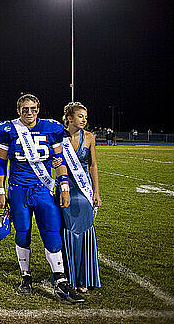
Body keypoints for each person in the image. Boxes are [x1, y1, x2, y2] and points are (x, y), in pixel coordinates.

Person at [0, 94, 84, 303]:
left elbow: (59, 159)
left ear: (38, 110)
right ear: (18, 111)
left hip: (44, 189)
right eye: (25, 109)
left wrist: (64, 186)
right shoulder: (8, 130)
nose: (29, 113)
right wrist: (0, 190)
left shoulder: (51, 128)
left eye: (33, 109)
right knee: (22, 233)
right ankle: (26, 276)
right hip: (18, 191)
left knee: (52, 232)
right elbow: (0, 163)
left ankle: (60, 281)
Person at [56, 102, 102, 293]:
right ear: (69, 118)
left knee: (84, 232)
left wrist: (97, 192)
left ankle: (83, 277)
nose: (84, 119)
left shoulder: (90, 137)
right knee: (66, 232)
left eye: (85, 116)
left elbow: (93, 166)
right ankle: (68, 277)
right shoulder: (58, 136)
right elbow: (54, 161)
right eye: (80, 116)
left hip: (84, 192)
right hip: (66, 189)